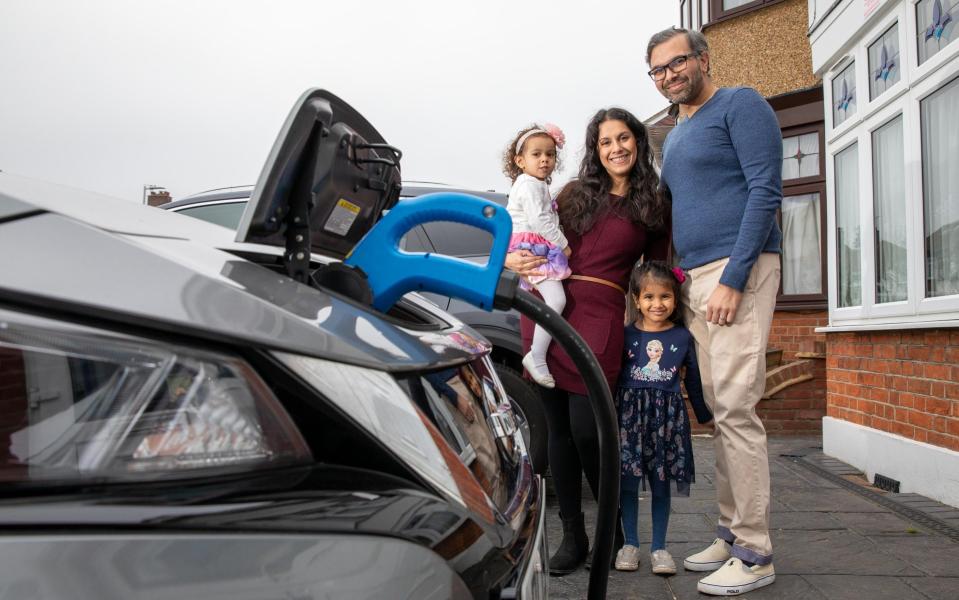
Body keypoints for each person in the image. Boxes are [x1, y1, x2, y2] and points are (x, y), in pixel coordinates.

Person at [646, 27, 783, 596]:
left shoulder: (740, 104)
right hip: (696, 279)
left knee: (735, 408)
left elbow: (765, 190)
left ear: (702, 59)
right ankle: (731, 534)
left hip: (737, 271)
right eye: (657, 71)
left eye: (677, 63)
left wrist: (732, 276)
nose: (669, 75)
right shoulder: (675, 135)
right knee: (721, 411)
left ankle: (755, 552)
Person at [506, 107, 669, 575]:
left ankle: (612, 531)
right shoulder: (573, 193)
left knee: (588, 431)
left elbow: (657, 274)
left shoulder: (653, 204)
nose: (615, 148)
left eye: (623, 138)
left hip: (601, 316)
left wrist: (656, 327)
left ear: (637, 143)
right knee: (556, 429)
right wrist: (512, 259)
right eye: (604, 141)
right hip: (548, 305)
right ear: (595, 150)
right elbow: (530, 230)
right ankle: (572, 536)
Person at [614, 260, 712, 575]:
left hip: (667, 421)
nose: (657, 304)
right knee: (627, 484)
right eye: (649, 297)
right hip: (630, 419)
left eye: (665, 297)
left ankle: (659, 548)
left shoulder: (683, 337)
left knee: (661, 485)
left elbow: (693, 378)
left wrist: (703, 413)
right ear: (637, 300)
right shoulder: (624, 335)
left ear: (675, 298)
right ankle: (630, 544)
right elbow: (613, 376)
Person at [502, 123, 571, 388]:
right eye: (536, 154)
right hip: (532, 247)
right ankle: (536, 355)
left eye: (550, 154)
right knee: (556, 300)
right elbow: (540, 220)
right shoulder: (529, 185)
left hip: (532, 245)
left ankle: (539, 353)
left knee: (553, 300)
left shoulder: (534, 183)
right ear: (520, 160)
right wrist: (563, 245)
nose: (544, 159)